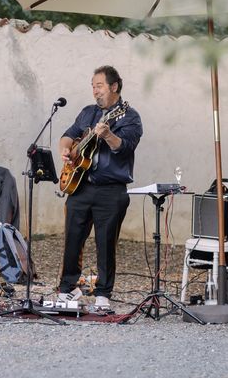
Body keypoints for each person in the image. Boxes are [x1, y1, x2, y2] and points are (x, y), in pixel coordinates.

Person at [57, 65, 143, 310]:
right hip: (81, 186)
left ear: (114, 87)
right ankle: (67, 289)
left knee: (105, 243)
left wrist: (106, 135)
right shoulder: (87, 113)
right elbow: (69, 134)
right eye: (93, 86)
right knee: (73, 239)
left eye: (99, 86)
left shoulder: (129, 116)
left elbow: (124, 147)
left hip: (111, 190)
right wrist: (65, 149)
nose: (95, 91)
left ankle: (103, 294)